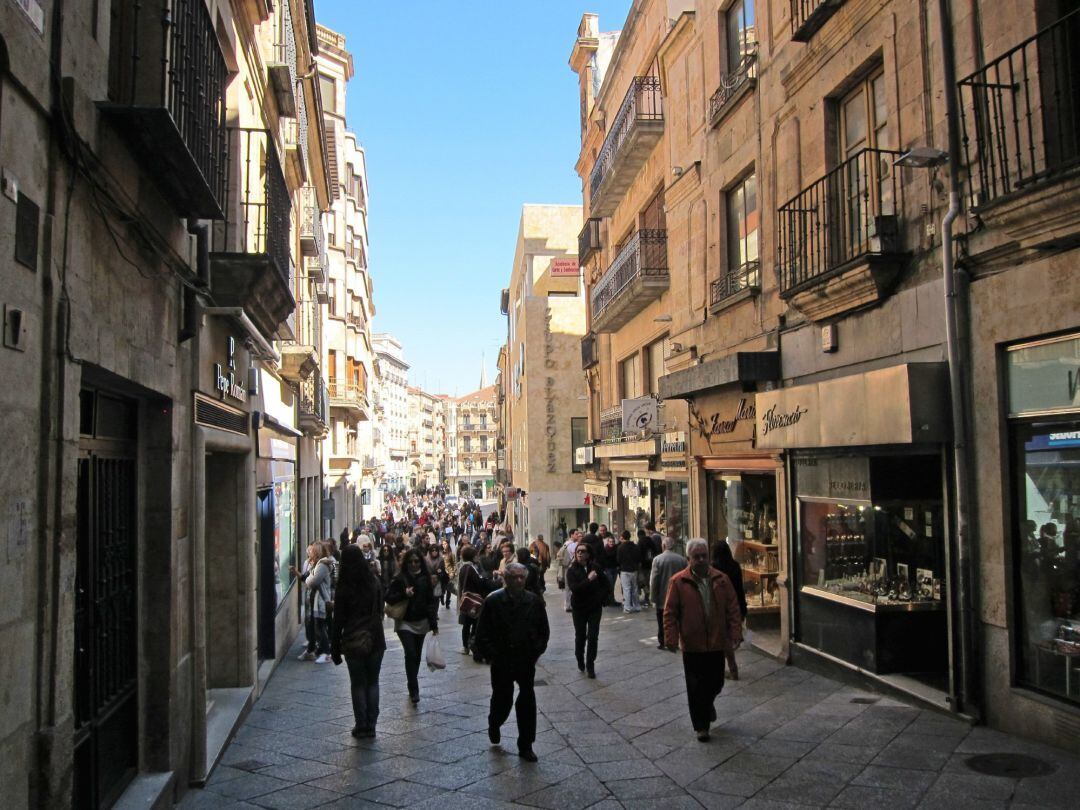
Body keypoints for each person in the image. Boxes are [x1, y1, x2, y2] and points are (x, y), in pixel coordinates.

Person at [663, 538, 743, 742]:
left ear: (709, 556)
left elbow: (733, 608)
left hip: (716, 641)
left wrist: (735, 632)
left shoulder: (721, 579)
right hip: (692, 644)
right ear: (688, 558)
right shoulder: (678, 581)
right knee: (695, 686)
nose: (700, 560)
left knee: (716, 682)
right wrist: (671, 637)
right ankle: (701, 726)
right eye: (696, 557)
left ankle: (707, 705)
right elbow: (670, 613)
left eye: (704, 556)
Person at [473, 562, 550, 763]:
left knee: (527, 701)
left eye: (521, 577)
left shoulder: (533, 601)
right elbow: (481, 634)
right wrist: (493, 655)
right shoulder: (493, 600)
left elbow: (544, 630)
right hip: (502, 660)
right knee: (502, 699)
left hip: (525, 659)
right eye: (514, 577)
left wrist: (536, 651)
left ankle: (526, 744)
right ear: (506, 579)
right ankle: (494, 722)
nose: (519, 581)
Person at [331, 544, 387, 738]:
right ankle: (371, 724)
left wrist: (334, 647)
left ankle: (360, 724)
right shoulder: (374, 582)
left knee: (357, 683)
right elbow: (381, 610)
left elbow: (338, 620)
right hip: (375, 637)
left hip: (353, 638)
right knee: (373, 682)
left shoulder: (344, 587)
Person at [385, 548, 439, 704]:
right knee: (410, 653)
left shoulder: (426, 578)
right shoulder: (400, 578)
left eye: (416, 561)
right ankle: (413, 688)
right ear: (406, 563)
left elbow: (431, 602)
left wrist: (433, 624)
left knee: (416, 655)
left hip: (421, 621)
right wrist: (404, 593)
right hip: (405, 622)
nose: (414, 564)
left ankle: (412, 681)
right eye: (411, 561)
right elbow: (388, 597)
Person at [566, 544, 607, 678]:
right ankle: (579, 657)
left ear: (588, 554)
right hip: (579, 608)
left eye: (583, 551)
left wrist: (601, 598)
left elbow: (606, 584)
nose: (580, 554)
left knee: (593, 636)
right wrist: (588, 580)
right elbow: (575, 589)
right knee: (580, 635)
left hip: (594, 607)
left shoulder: (596, 568)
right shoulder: (571, 570)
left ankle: (590, 664)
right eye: (578, 551)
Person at [712, 540, 748, 679]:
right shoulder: (735, 566)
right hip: (733, 605)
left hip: (718, 606)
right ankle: (733, 669)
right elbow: (739, 589)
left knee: (718, 639)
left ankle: (720, 669)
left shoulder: (713, 568)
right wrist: (742, 608)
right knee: (727, 639)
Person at [650, 536, 687, 649]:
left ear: (664, 545)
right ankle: (677, 640)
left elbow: (654, 579)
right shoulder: (682, 559)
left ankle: (663, 641)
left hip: (662, 595)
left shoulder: (658, 559)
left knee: (662, 620)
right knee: (678, 619)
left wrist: (653, 596)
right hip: (679, 595)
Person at [617, 530, 642, 613]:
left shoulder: (620, 547)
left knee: (626, 589)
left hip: (624, 570)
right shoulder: (635, 546)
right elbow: (639, 558)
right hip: (634, 570)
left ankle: (627, 607)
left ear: (623, 537)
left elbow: (618, 559)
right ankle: (637, 606)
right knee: (635, 588)